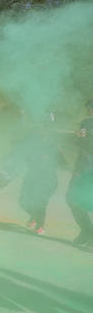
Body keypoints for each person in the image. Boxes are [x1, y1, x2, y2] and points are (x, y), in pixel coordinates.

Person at [67, 99, 93, 247]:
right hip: (82, 167)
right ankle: (87, 231)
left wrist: (87, 137)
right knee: (71, 198)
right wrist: (77, 137)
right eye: (88, 107)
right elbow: (80, 145)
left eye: (90, 107)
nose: (89, 109)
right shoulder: (86, 123)